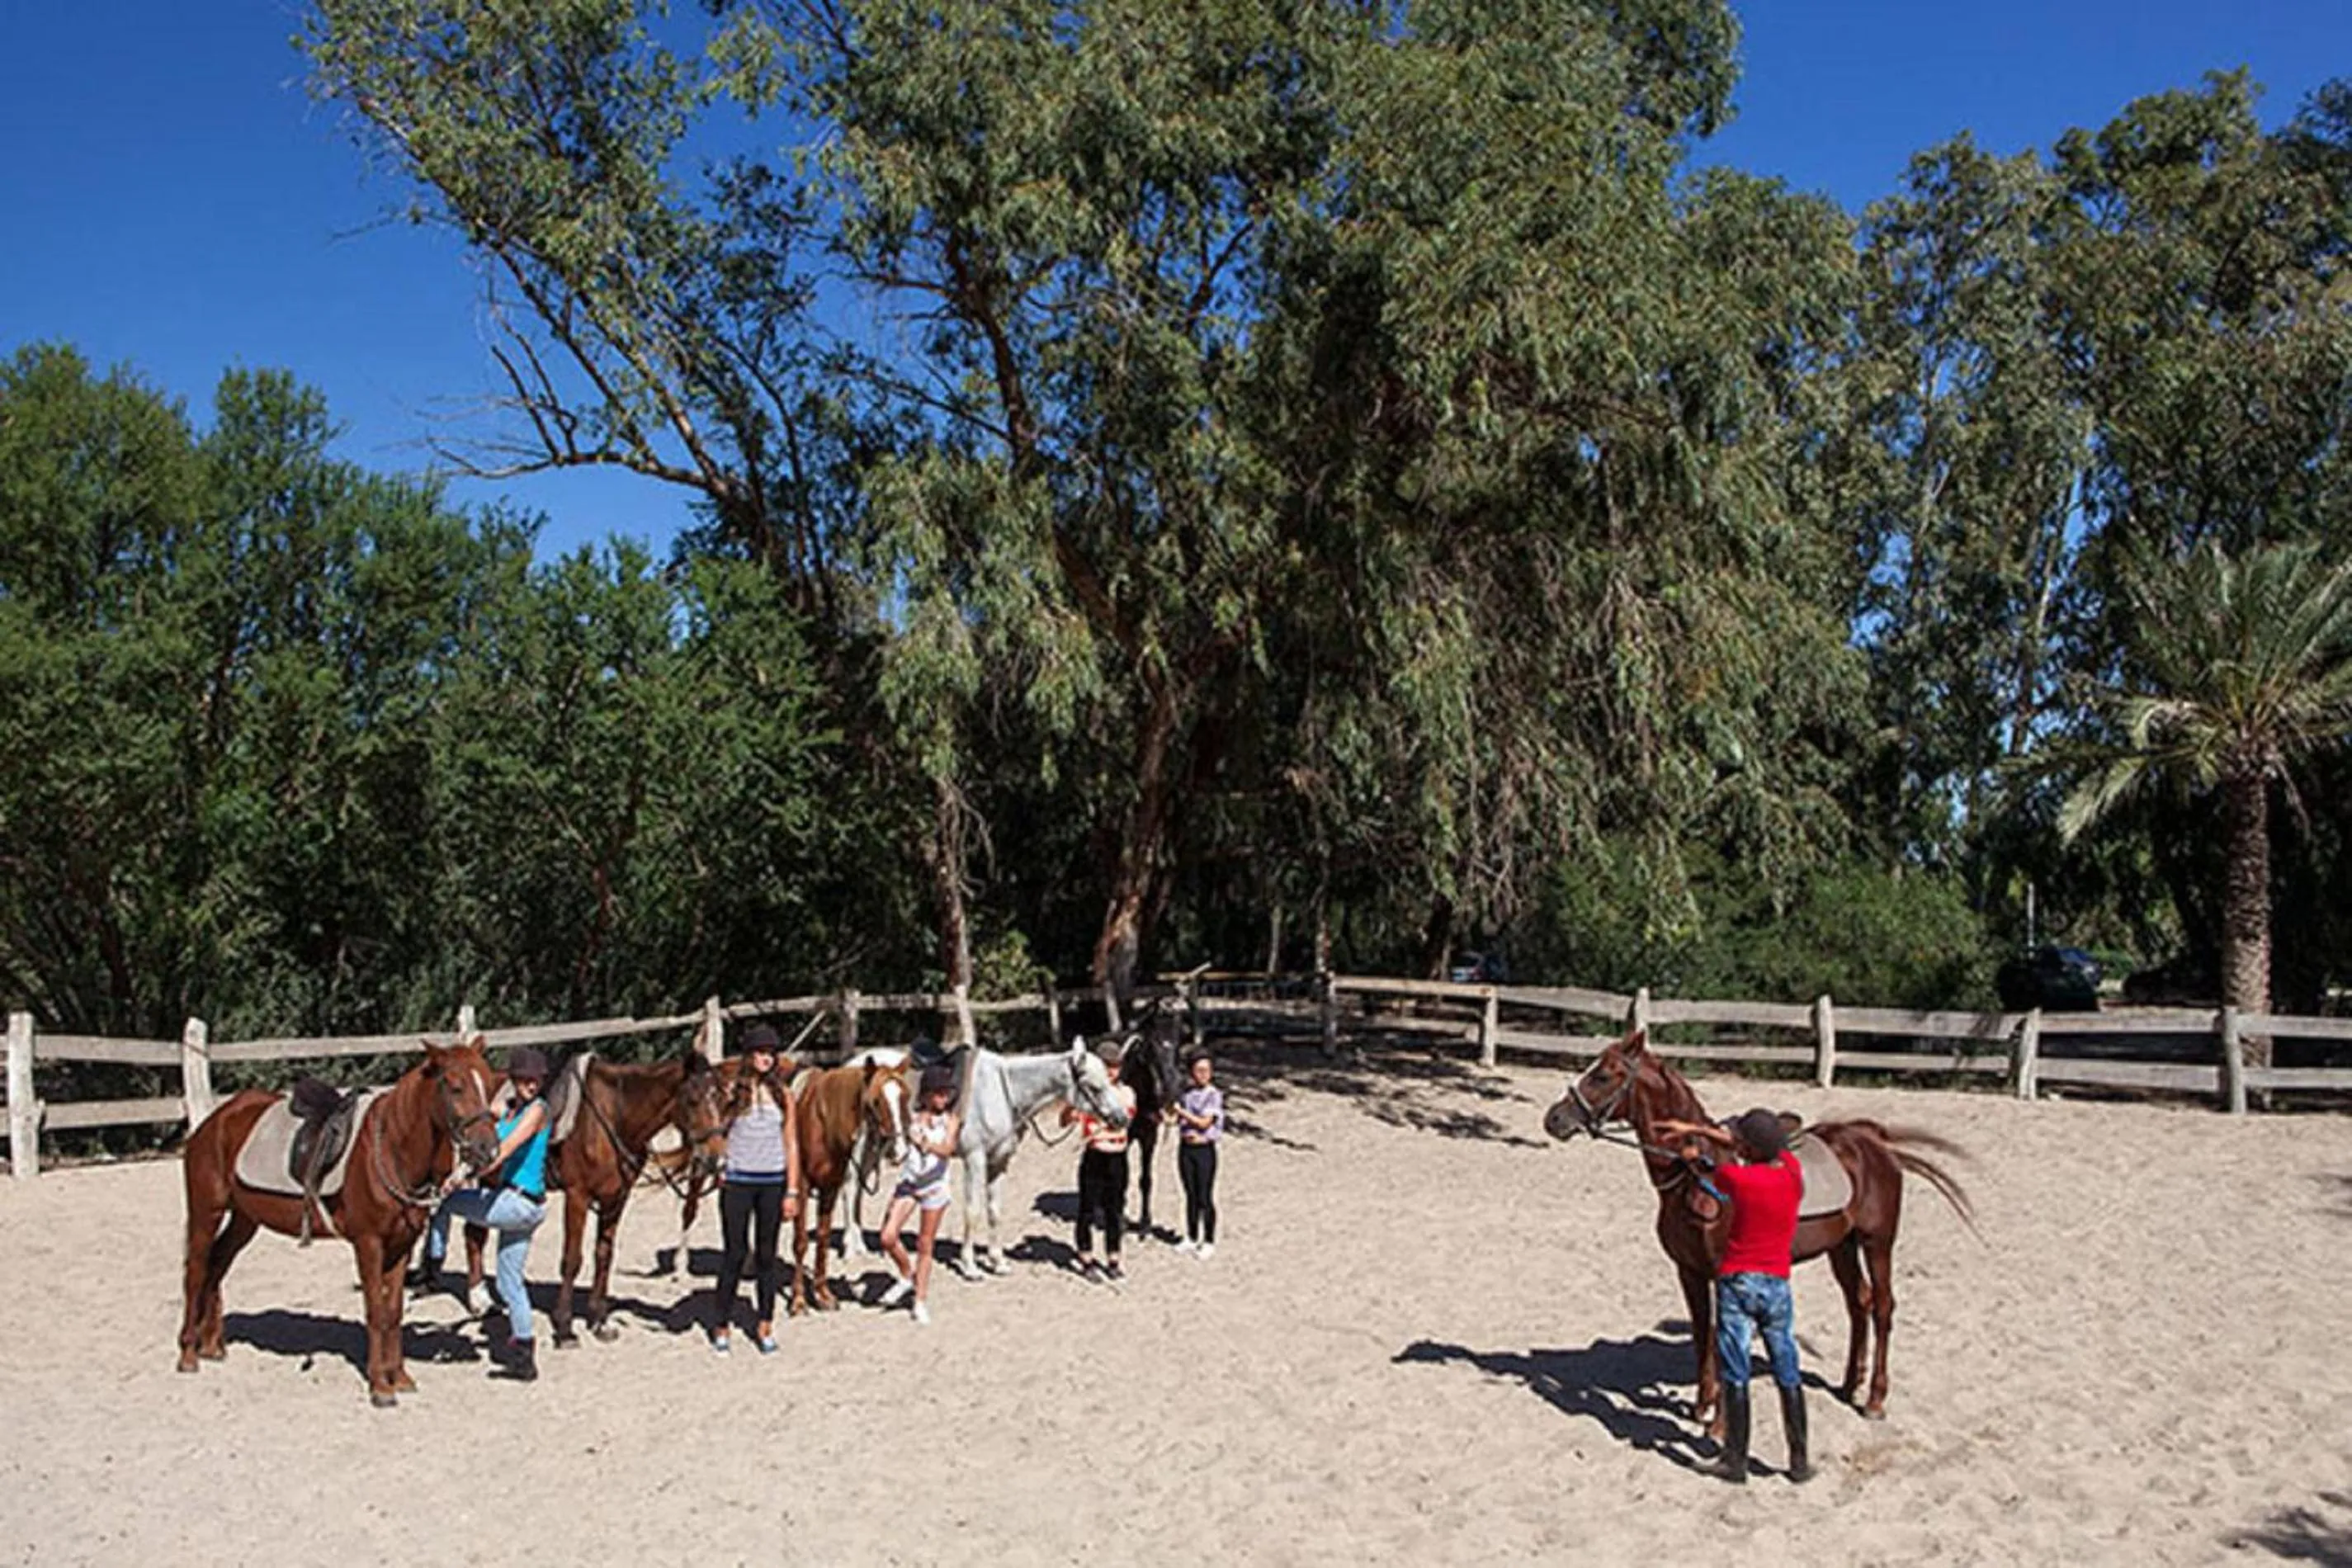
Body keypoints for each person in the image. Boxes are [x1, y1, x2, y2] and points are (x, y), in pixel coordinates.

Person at [1653, 1106, 1811, 1485]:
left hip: (1738, 1283)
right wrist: (1694, 1126)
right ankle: (1799, 1459)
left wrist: (1691, 1151)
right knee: (1786, 1366)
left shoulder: (1733, 1180)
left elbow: (1707, 1168)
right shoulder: (1792, 1173)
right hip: (1777, 1285)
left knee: (1735, 1368)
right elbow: (1751, 1147)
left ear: (1746, 1148)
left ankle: (1735, 1459)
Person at [412, 1046, 554, 1382]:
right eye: (525, 1080)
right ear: (515, 1080)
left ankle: (432, 1263)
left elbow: (503, 1151)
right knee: (509, 1282)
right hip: (518, 1205)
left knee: (445, 1202)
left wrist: (457, 1179)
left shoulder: (538, 1112)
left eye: (536, 1081)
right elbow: (476, 1116)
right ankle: (524, 1356)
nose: (531, 1086)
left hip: (518, 1204)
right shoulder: (507, 1110)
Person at [709, 1023, 803, 1355]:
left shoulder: (783, 1095)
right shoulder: (732, 1092)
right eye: (761, 1053)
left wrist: (793, 1190)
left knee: (767, 1256)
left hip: (772, 1181)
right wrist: (720, 1165)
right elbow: (716, 1133)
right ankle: (721, 1323)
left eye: (771, 1053)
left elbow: (791, 1142)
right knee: (734, 1253)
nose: (767, 1058)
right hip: (738, 1180)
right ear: (749, 1056)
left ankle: (765, 1323)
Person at [879, 1062, 961, 1325]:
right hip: (910, 1183)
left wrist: (926, 1143)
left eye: (945, 1093)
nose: (943, 1098)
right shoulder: (912, 1119)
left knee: (925, 1244)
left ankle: (920, 1300)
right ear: (926, 1094)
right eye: (938, 1093)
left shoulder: (951, 1120)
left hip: (935, 1187)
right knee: (888, 1236)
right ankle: (906, 1274)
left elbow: (948, 1149)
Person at [1060, 1042, 1137, 1281]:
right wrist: (1071, 1112)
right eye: (1108, 1066)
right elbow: (1065, 1120)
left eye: (1116, 1066)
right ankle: (1086, 1258)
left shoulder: (1126, 1093)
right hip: (1095, 1152)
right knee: (1087, 1208)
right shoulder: (1087, 1094)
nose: (1112, 1071)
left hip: (1117, 1153)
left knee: (1116, 1210)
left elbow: (1125, 1120)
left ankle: (1114, 1258)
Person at [1172, 1051, 1224, 1259]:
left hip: (1204, 1149)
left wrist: (1181, 1112)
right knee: (1190, 1195)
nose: (1203, 1075)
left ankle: (1209, 1240)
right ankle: (1192, 1236)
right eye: (1199, 1070)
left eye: (1207, 1071)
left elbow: (1204, 1122)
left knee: (1205, 1196)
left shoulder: (1213, 1095)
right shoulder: (1186, 1095)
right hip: (1186, 1149)